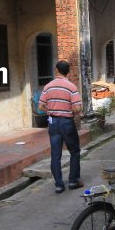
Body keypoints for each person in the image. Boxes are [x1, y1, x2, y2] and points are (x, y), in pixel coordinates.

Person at [37, 59, 83, 193]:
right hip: (67, 122)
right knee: (74, 151)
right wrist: (68, 110)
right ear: (68, 71)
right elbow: (78, 108)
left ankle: (59, 184)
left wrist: (50, 111)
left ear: (56, 70)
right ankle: (73, 181)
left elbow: (40, 106)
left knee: (55, 154)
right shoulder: (71, 87)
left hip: (53, 123)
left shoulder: (48, 86)